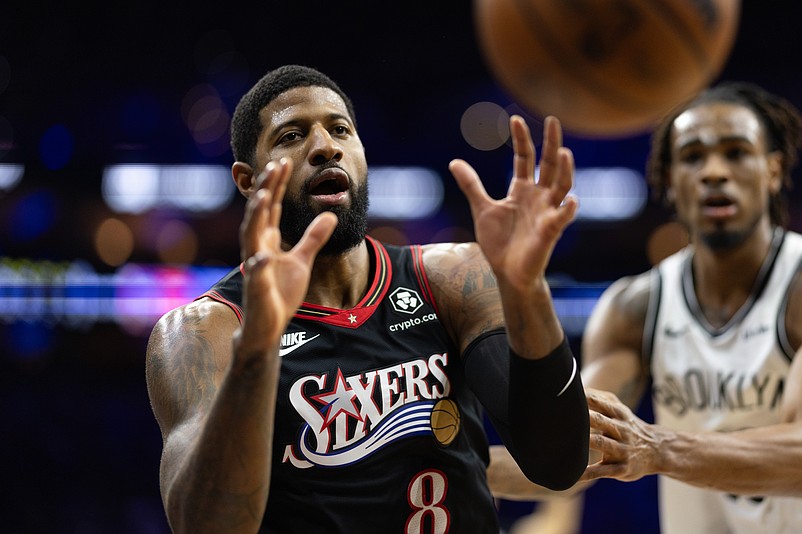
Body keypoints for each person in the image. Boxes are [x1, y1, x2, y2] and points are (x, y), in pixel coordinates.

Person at [144, 64, 589, 533]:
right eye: (292, 136)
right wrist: (257, 347)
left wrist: (527, 289)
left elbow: (556, 461)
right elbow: (206, 526)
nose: (324, 146)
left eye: (340, 129)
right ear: (247, 180)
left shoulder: (448, 277)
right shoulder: (203, 332)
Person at [489, 81, 802, 534]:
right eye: (693, 157)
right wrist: (457, 464)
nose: (715, 171)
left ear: (773, 170)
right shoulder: (636, 307)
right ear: (671, 180)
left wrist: (658, 448)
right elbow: (572, 457)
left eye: (736, 153)